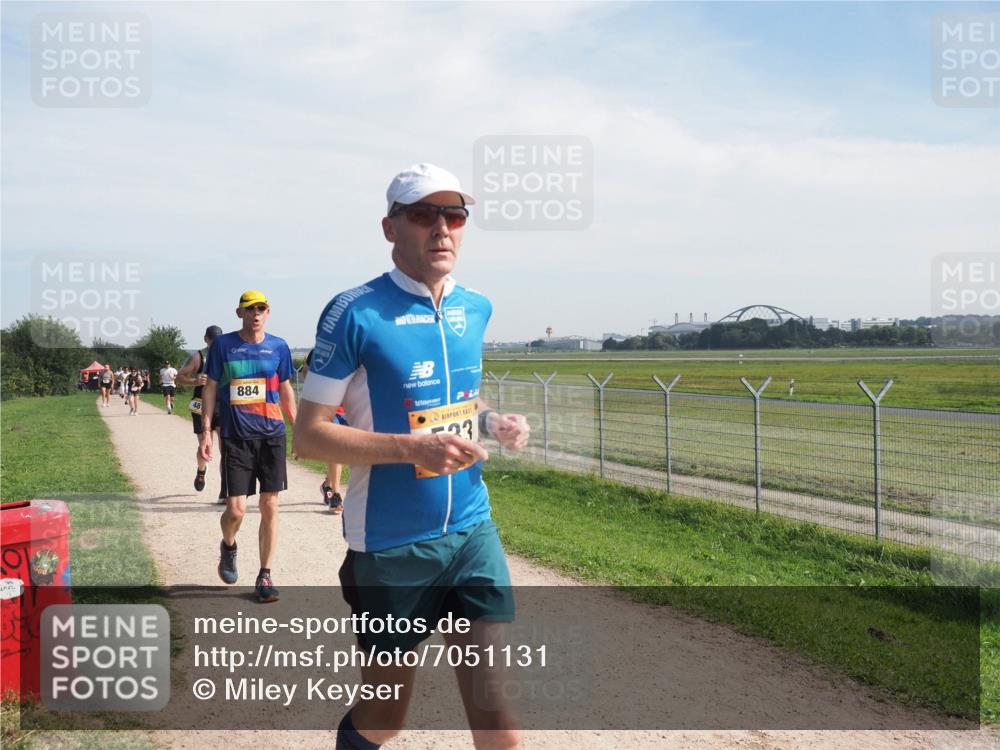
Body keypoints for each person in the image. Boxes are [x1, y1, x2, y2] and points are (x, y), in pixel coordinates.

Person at [294, 163, 530, 750]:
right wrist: (411, 448)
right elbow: (310, 436)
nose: (442, 228)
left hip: (472, 529)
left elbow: (456, 402)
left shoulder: (476, 307)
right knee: (386, 716)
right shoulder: (354, 312)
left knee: (498, 717)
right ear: (390, 227)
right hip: (391, 544)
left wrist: (491, 421)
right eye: (424, 214)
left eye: (455, 215)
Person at [198, 291, 296, 603]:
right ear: (239, 313)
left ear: (268, 312)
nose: (256, 314)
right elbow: (211, 388)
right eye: (250, 309)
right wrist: (206, 432)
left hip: (272, 434)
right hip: (236, 436)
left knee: (270, 505)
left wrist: (299, 429)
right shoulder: (223, 346)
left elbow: (285, 389)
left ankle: (265, 575)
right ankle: (229, 546)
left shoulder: (279, 347)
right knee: (236, 509)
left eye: (261, 309)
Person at [177, 325, 224, 495]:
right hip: (200, 405)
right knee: (204, 445)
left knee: (226, 450)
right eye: (213, 340)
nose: (215, 344)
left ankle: (224, 490)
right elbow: (180, 376)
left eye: (219, 340)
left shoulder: (226, 354)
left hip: (221, 405)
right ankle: (201, 470)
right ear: (206, 339)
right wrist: (195, 381)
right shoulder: (198, 357)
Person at [304, 348, 346, 514]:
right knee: (336, 449)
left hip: (352, 408)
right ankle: (336, 495)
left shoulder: (357, 349)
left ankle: (327, 484)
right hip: (328, 409)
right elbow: (306, 372)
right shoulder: (321, 350)